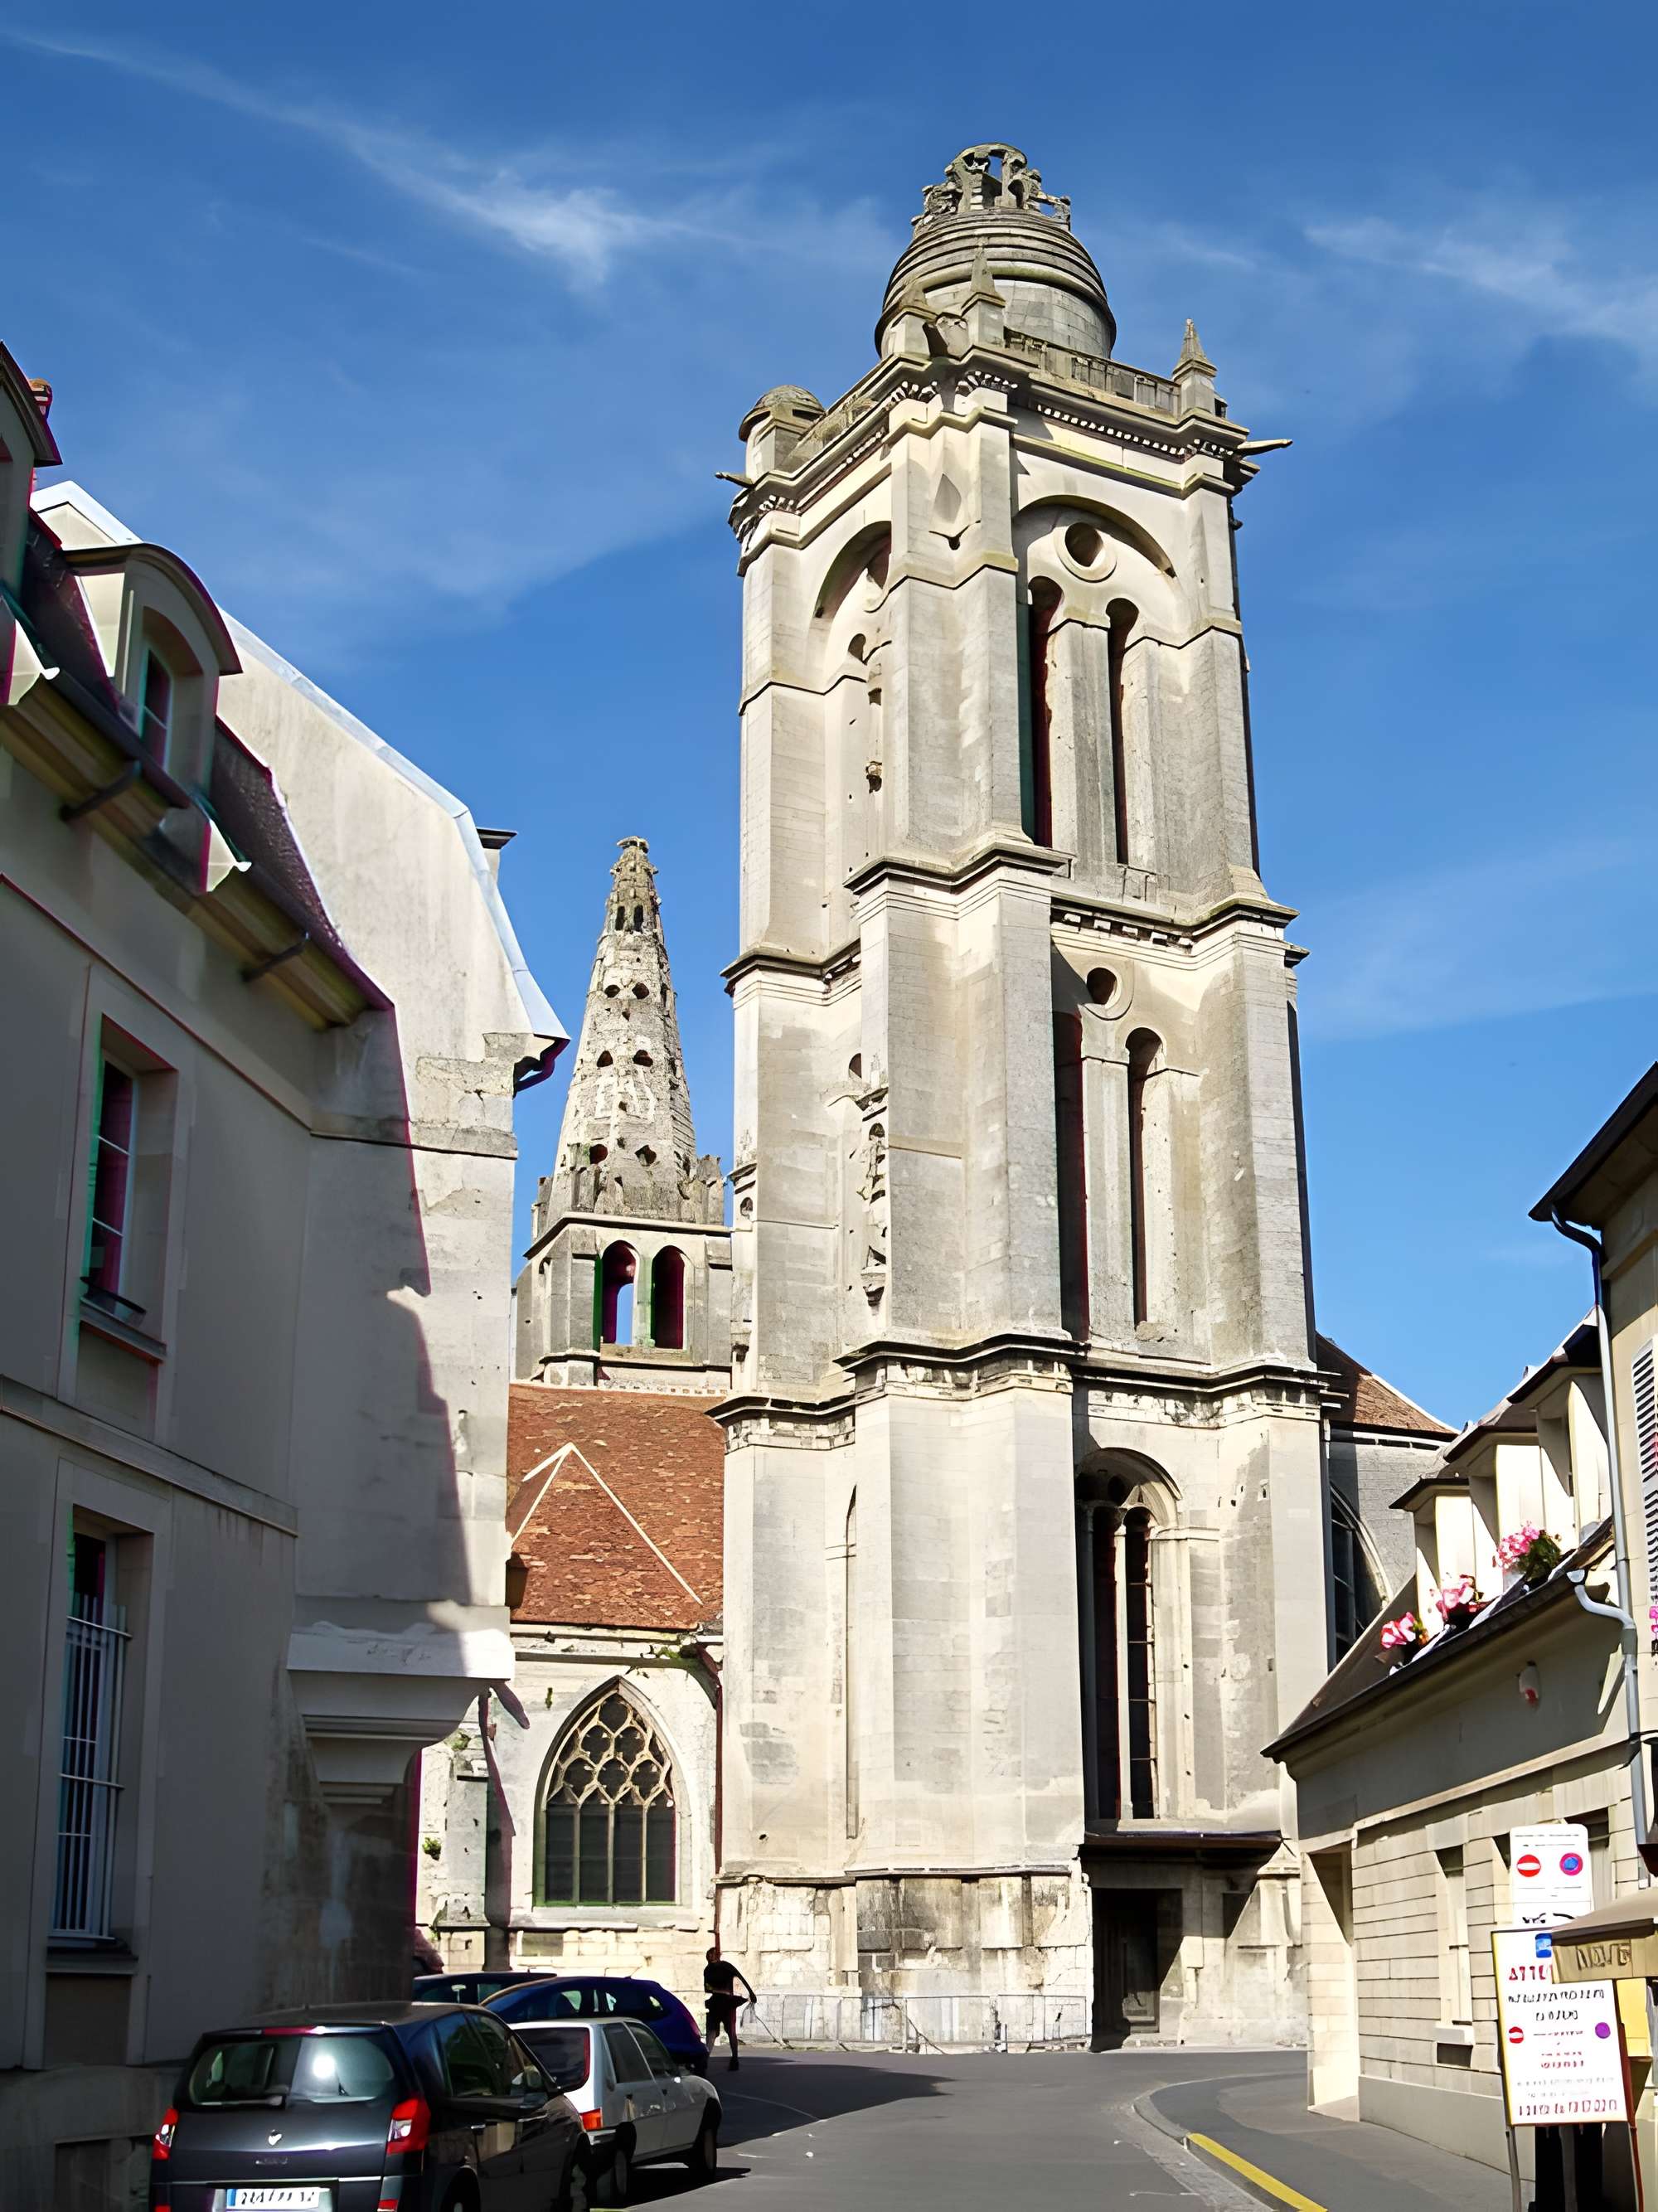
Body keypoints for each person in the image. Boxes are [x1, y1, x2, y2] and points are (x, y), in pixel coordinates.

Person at [702, 1943, 755, 2071]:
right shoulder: (709, 1970)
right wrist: (750, 1993)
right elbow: (707, 1988)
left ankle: (734, 2059)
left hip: (724, 2004)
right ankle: (705, 2061)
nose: (710, 1957)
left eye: (711, 1955)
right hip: (721, 2003)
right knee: (714, 2033)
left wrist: (751, 1993)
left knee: (726, 2032)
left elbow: (740, 1977)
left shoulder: (723, 1967)